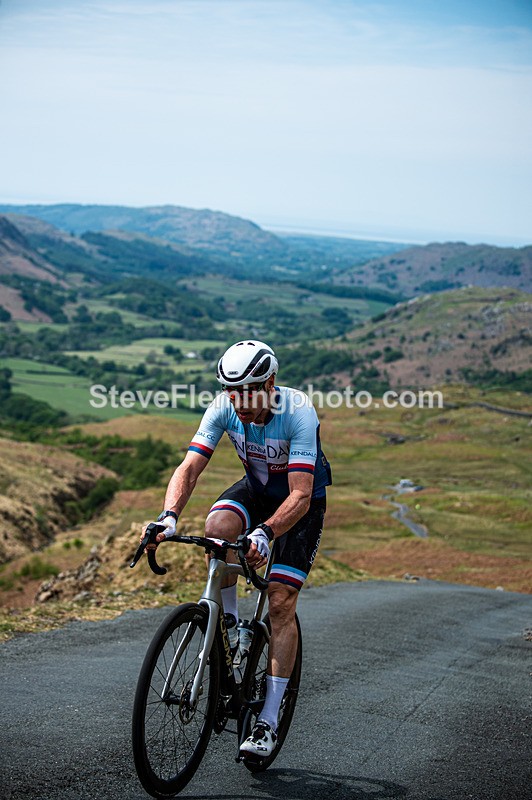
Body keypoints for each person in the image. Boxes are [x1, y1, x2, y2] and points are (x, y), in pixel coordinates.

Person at [145, 340, 331, 758]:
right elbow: (190, 467)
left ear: (270, 383)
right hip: (257, 491)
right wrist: (168, 516)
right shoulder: (223, 407)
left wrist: (265, 532)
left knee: (280, 600)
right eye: (233, 392)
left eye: (249, 392)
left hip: (300, 505)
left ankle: (268, 720)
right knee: (216, 530)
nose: (240, 402)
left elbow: (300, 495)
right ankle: (229, 626)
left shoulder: (298, 411)